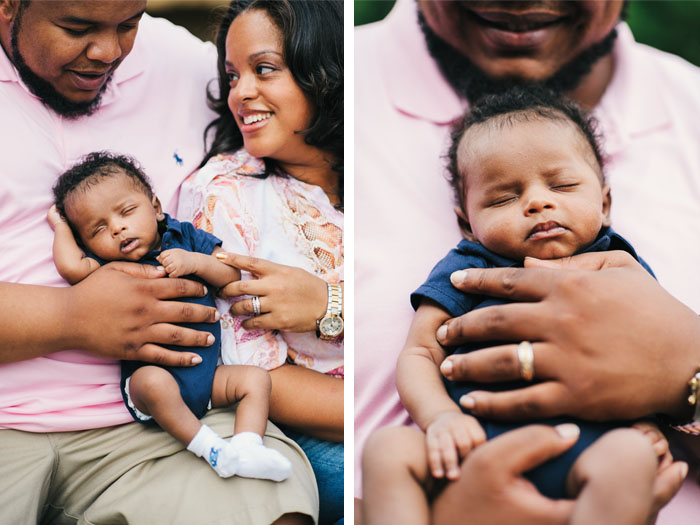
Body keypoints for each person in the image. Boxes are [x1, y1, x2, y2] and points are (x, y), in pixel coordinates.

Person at [355, 0, 700, 521]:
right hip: (466, 443)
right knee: (386, 450)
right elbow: (421, 352)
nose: (539, 203)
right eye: (501, 198)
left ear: (605, 202)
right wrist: (441, 419)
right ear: (466, 218)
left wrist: (682, 387)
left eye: (563, 185)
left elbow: (650, 341)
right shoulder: (466, 265)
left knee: (629, 458)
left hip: (587, 446)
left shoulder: (618, 260)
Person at [0, 1, 318, 523]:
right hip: (8, 425)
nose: (108, 52)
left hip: (159, 425)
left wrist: (332, 299)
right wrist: (71, 318)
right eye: (76, 28)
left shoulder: (176, 60)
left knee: (268, 504)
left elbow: (303, 107)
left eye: (128, 24)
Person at [177, 1, 344, 523]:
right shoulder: (225, 194)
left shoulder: (383, 180)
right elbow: (249, 369)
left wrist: (330, 305)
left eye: (264, 69)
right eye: (232, 75)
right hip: (310, 432)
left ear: (325, 69)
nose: (241, 93)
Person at [48, 151, 292, 482]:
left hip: (206, 380)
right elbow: (71, 267)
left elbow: (230, 276)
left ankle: (249, 446)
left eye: (126, 212)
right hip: (154, 387)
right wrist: (60, 226)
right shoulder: (107, 267)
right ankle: (211, 449)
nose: (118, 228)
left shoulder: (184, 237)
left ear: (156, 207)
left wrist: (195, 262)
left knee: (255, 380)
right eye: (98, 229)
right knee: (152, 382)